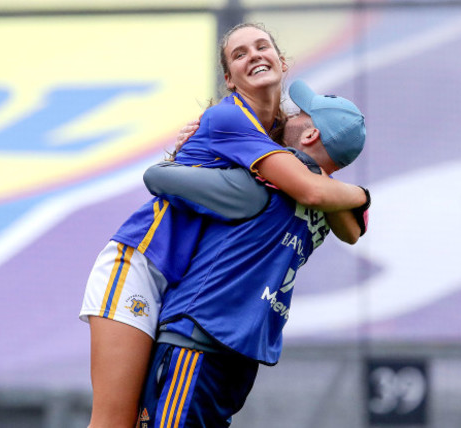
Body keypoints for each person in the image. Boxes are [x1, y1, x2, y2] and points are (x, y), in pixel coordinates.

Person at [79, 22, 367, 428]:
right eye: (240, 53)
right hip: (143, 260)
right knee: (114, 421)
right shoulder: (232, 120)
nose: (254, 55)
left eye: (262, 46)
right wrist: (362, 196)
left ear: (282, 63)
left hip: (186, 284)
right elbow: (316, 193)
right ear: (229, 80)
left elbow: (336, 213)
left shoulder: (275, 144)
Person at [136, 80, 369, 428]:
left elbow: (157, 176)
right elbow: (349, 222)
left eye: (301, 113)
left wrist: (204, 145)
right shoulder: (329, 212)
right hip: (241, 356)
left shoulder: (260, 186)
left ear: (309, 136)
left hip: (197, 338)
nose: (288, 114)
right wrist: (360, 193)